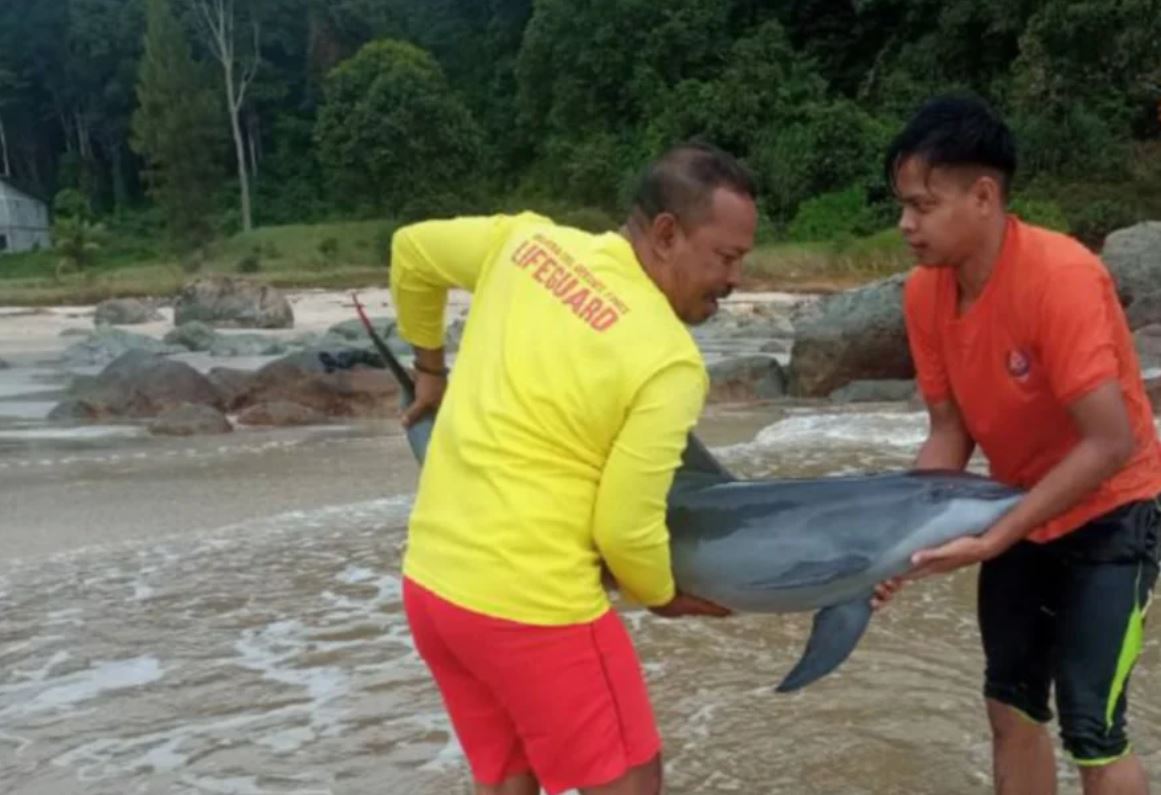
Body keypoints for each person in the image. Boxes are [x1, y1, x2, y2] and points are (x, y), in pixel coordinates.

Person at [389, 142, 757, 795]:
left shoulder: (525, 244)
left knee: (509, 781)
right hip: (537, 607)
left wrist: (428, 371)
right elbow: (622, 527)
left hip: (434, 589)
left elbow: (411, 251)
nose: (734, 279)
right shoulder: (667, 360)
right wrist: (663, 596)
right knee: (631, 781)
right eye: (726, 257)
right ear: (666, 234)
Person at [894, 95, 1161, 794]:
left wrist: (993, 535)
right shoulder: (924, 294)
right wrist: (896, 541)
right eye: (902, 205)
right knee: (1009, 707)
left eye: (922, 205)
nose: (905, 224)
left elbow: (1110, 441)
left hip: (1112, 514)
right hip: (1018, 509)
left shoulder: (1059, 276)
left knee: (1091, 727)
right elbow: (947, 431)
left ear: (982, 195)